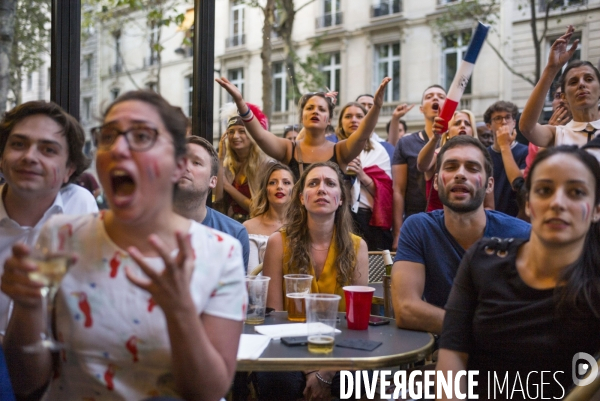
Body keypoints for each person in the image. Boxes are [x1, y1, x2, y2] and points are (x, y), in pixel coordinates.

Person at [2, 91, 246, 400]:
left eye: (142, 136)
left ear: (177, 165)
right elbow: (29, 385)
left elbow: (207, 392)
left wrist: (181, 314)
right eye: (109, 136)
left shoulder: (220, 252)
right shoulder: (60, 236)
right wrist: (27, 305)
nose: (118, 148)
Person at [437, 146, 600, 399]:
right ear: (528, 203)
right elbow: (453, 356)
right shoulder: (483, 260)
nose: (557, 203)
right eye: (544, 190)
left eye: (576, 192)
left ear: (597, 209)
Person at [391, 136, 530, 335]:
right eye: (451, 167)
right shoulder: (418, 228)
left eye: (472, 168)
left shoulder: (520, 234)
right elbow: (406, 309)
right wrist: (484, 329)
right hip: (447, 349)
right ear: (437, 182)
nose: (460, 174)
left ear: (490, 185)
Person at [261, 161, 369, 401]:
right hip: (288, 349)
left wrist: (326, 373)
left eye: (330, 183)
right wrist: (310, 369)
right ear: (301, 198)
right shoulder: (278, 242)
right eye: (313, 183)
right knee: (276, 380)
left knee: (361, 380)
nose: (321, 189)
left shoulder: (357, 247)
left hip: (340, 350)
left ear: (341, 199)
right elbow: (274, 318)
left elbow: (358, 324)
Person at [0, 101, 98, 331]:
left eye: (48, 149)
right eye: (18, 144)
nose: (29, 156)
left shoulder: (80, 205)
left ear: (69, 170)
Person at [216, 76, 391, 180]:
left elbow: (362, 135)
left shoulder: (340, 150)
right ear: (302, 116)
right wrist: (240, 102)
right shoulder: (288, 148)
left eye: (321, 109)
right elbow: (260, 136)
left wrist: (376, 106)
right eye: (310, 108)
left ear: (329, 119)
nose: (315, 111)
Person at [520, 25, 600, 161]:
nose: (581, 84)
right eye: (573, 82)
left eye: (589, 79)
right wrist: (552, 68)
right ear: (564, 97)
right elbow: (527, 127)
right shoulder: (558, 134)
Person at [174, 135, 250, 270]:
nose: (185, 166)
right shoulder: (143, 227)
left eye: (196, 162)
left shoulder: (233, 235)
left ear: (213, 181)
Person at [328, 102, 393, 251]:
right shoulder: (330, 147)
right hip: (336, 215)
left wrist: (361, 175)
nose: (354, 120)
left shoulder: (378, 150)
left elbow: (385, 194)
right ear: (340, 122)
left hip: (367, 219)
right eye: (348, 116)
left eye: (359, 116)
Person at [392, 84, 446, 250]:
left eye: (441, 96)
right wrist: (398, 232)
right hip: (414, 220)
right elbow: (398, 190)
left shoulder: (458, 141)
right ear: (422, 109)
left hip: (449, 220)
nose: (435, 98)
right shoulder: (406, 143)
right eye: (429, 96)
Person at [215, 103, 272, 223]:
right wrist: (220, 159)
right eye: (231, 131)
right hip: (229, 226)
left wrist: (228, 187)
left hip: (256, 228)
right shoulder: (226, 164)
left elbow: (257, 208)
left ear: (252, 135)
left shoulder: (266, 165)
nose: (235, 136)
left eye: (242, 131)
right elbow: (216, 200)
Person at [416, 109, 478, 212]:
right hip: (436, 223)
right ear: (448, 131)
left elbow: (488, 205)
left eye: (467, 124)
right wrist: (435, 138)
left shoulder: (481, 159)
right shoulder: (437, 155)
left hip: (470, 224)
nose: (462, 126)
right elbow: (422, 165)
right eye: (457, 123)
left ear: (472, 131)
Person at [243, 163, 294, 273]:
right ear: (266, 190)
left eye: (286, 182)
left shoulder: (303, 225)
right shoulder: (249, 227)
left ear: (295, 190)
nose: (279, 186)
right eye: (272, 182)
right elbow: (253, 280)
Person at [485, 101, 529, 217]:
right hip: (491, 217)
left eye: (508, 117)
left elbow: (519, 185)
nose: (504, 122)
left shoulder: (526, 152)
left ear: (514, 123)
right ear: (489, 126)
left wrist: (505, 146)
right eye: (498, 118)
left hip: (517, 218)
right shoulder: (483, 155)